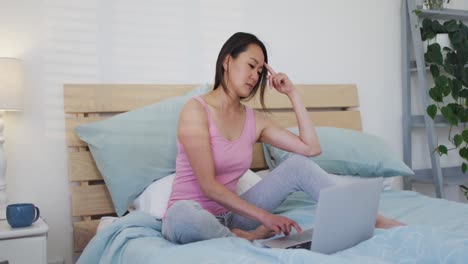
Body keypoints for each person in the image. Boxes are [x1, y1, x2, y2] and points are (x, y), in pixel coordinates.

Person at [161, 32, 404, 245]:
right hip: (190, 216)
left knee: (297, 166)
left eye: (259, 71)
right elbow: (208, 186)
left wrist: (292, 93)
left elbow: (311, 148)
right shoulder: (196, 110)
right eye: (250, 65)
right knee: (183, 215)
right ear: (227, 61)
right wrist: (264, 218)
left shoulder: (254, 120)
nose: (255, 76)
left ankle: (374, 219)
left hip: (231, 216)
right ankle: (245, 238)